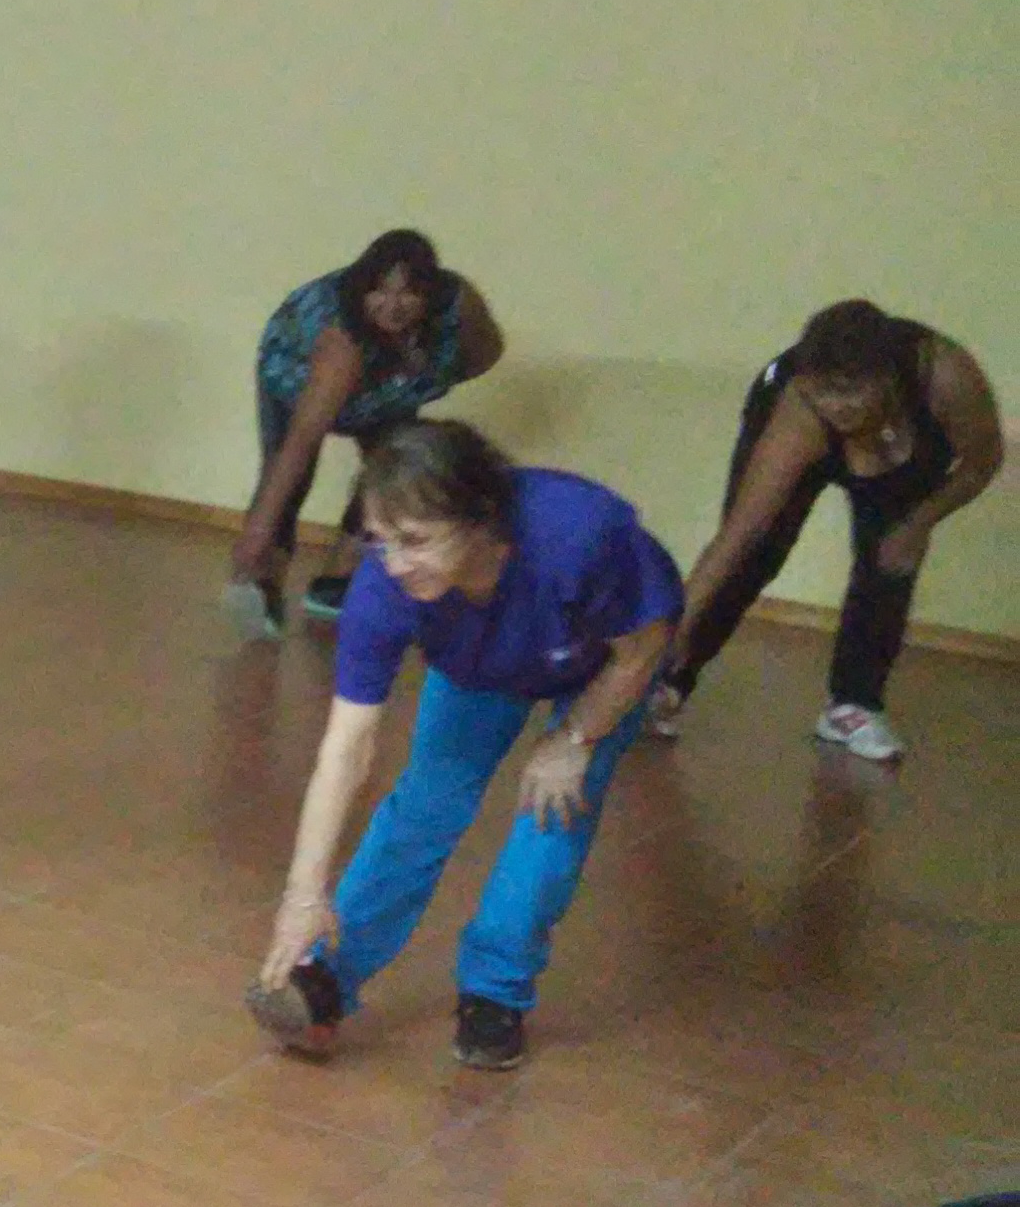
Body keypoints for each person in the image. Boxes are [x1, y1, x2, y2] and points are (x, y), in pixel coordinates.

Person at [248, 421, 679, 1075]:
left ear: (481, 520)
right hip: (480, 663)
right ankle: (328, 976)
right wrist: (303, 895)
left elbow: (642, 647)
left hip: (600, 670)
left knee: (553, 808)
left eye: (416, 541)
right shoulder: (384, 589)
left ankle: (494, 993)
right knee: (426, 804)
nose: (395, 563)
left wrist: (574, 738)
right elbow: (346, 746)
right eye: (379, 539)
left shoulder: (579, 537)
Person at [656, 302, 999, 765]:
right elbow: (740, 532)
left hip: (903, 442)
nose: (837, 406)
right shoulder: (800, 407)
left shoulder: (946, 378)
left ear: (886, 378)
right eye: (824, 392)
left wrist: (921, 521)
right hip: (798, 432)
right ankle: (668, 682)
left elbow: (982, 462)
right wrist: (674, 629)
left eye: (851, 391)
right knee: (756, 552)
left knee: (891, 555)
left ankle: (853, 705)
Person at [228, 229, 504, 636]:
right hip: (296, 380)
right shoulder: (342, 338)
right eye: (380, 291)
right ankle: (264, 581)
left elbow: (487, 352)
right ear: (362, 291)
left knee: (392, 469)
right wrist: (256, 534)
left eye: (409, 293)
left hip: (388, 386)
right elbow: (301, 443)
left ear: (429, 294)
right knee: (289, 476)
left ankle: (338, 579)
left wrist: (428, 375)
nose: (393, 305)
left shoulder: (457, 304)